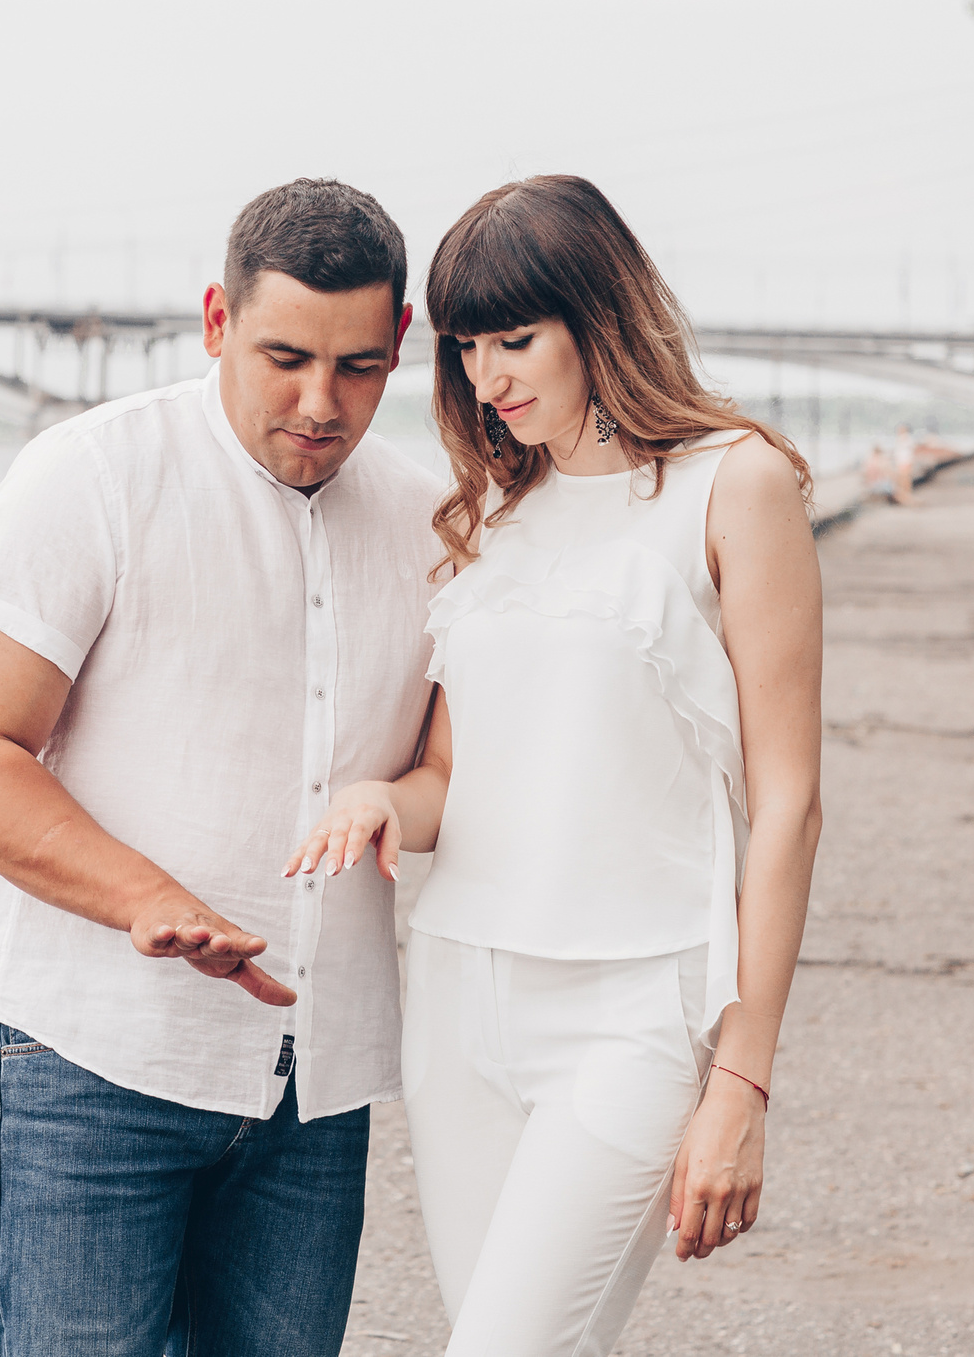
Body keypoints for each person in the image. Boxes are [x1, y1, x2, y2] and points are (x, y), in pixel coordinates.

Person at [290, 174, 825, 1356]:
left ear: (598, 315)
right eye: (465, 346)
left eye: (516, 339)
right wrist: (380, 799)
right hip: (459, 1001)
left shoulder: (734, 482)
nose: (487, 377)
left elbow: (788, 804)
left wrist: (742, 1081)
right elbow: (449, 780)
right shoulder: (488, 509)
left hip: (633, 1010)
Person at [0, 178, 444, 1357]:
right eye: (284, 358)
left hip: (311, 1086)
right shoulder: (90, 476)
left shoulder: (429, 523)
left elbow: (445, 779)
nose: (320, 403)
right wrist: (147, 900)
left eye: (358, 367)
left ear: (400, 342)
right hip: (93, 1059)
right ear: (216, 320)